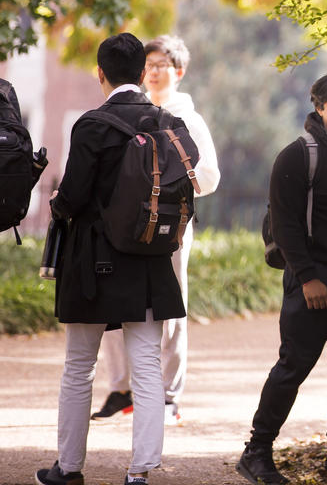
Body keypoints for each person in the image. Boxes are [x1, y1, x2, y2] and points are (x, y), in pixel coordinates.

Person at [38, 32, 187, 485]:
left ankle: (69, 468)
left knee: (79, 367)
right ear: (142, 73)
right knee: (147, 367)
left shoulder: (92, 125)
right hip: (150, 259)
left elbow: (73, 195)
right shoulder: (166, 121)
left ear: (99, 72)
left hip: (93, 262)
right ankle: (140, 473)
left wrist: (59, 205)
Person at [237, 71, 327, 485]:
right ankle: (256, 452)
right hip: (311, 279)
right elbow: (285, 225)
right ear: (319, 106)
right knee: (293, 367)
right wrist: (308, 278)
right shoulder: (297, 156)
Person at [92, 35, 221, 426]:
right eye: (148, 64)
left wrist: (169, 183)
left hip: (171, 224)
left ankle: (168, 395)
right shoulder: (130, 111)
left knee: (171, 304)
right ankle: (121, 388)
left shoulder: (188, 119)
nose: (153, 71)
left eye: (162, 64)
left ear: (179, 71)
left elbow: (209, 175)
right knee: (117, 298)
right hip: (127, 223)